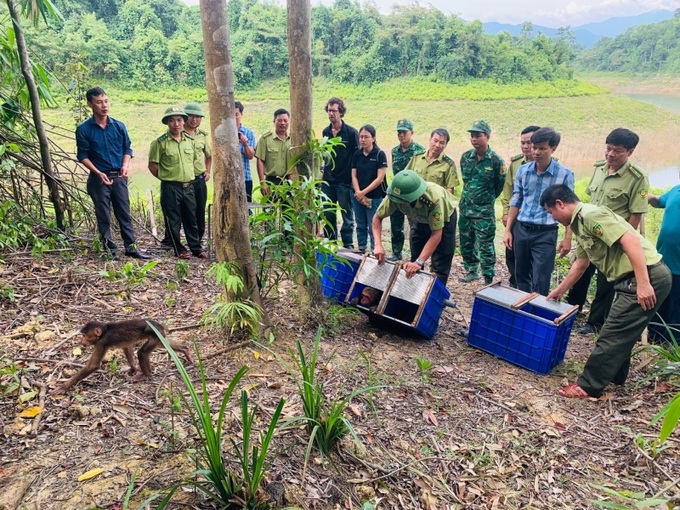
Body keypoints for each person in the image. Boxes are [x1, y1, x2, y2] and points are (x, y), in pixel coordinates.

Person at [541, 184, 671, 398]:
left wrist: (643, 283)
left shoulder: (591, 215)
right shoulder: (580, 225)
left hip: (645, 275)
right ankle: (615, 376)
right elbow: (580, 264)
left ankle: (588, 386)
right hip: (632, 279)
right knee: (623, 331)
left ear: (559, 204)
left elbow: (630, 240)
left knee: (612, 333)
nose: (552, 217)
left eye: (550, 212)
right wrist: (559, 290)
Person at [567, 128, 649, 335]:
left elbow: (635, 214)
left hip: (612, 241)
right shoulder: (599, 168)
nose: (610, 154)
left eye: (617, 151)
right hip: (589, 237)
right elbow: (590, 201)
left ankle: (595, 323)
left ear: (630, 152)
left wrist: (623, 243)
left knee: (606, 284)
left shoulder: (636, 177)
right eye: (608, 149)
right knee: (580, 272)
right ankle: (571, 311)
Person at [75, 86, 150, 260]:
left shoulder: (118, 126)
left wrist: (125, 165)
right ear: (90, 104)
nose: (104, 105)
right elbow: (83, 156)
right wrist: (98, 172)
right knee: (103, 215)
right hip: (98, 179)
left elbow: (127, 148)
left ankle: (131, 247)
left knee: (124, 212)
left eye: (106, 101)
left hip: (119, 177)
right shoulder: (84, 129)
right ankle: (110, 249)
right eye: (99, 102)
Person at [503, 127, 574, 296]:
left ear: (553, 148)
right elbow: (516, 200)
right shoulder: (523, 170)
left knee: (541, 277)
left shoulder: (564, 174)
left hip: (545, 233)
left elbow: (570, 208)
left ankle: (537, 312)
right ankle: (522, 310)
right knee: (520, 274)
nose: (536, 152)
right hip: (522, 229)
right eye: (534, 147)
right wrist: (508, 230)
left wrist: (568, 237)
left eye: (542, 148)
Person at [372, 170, 457, 285]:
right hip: (418, 218)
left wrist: (419, 262)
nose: (398, 204)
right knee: (415, 254)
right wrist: (378, 245)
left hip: (444, 220)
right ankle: (414, 293)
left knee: (440, 262)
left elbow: (436, 234)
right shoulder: (395, 195)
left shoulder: (434, 199)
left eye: (402, 202)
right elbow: (377, 218)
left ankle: (435, 296)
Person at [148, 106, 206, 260]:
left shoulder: (190, 141)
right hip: (170, 187)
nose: (176, 124)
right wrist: (167, 178)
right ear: (167, 122)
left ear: (183, 122)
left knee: (191, 219)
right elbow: (153, 165)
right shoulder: (160, 143)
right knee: (173, 220)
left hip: (188, 186)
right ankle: (179, 249)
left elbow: (193, 160)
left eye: (179, 120)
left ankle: (196, 248)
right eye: (172, 120)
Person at [458, 120, 507, 284]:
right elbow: (465, 181)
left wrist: (485, 199)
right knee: (466, 243)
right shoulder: (466, 157)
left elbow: (499, 185)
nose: (474, 139)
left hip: (484, 212)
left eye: (478, 135)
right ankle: (471, 271)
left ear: (487, 136)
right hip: (465, 209)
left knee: (486, 246)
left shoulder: (496, 161)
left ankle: (488, 276)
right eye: (472, 136)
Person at [501, 125, 540, 287]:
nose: (525, 147)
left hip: (535, 221)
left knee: (530, 256)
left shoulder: (550, 166)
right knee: (511, 253)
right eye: (522, 143)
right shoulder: (516, 164)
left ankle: (529, 286)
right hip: (515, 218)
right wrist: (505, 213)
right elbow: (508, 189)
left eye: (529, 143)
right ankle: (514, 282)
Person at [321, 98, 360, 249]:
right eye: (329, 111)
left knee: (346, 214)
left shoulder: (351, 133)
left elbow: (357, 156)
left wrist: (354, 179)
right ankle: (331, 242)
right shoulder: (326, 132)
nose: (331, 114)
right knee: (328, 212)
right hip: (328, 181)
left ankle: (348, 243)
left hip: (345, 180)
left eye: (334, 111)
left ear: (341, 112)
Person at [647, 179, 680, 343]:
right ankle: (655, 335)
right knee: (661, 299)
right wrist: (647, 196)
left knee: (677, 304)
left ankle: (674, 341)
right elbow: (659, 201)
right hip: (663, 259)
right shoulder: (676, 190)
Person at [388, 119, 425, 262]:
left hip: (412, 195)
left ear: (412, 133)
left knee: (415, 226)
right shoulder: (394, 151)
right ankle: (396, 252)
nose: (401, 135)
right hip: (398, 193)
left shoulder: (419, 151)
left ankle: (416, 255)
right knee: (396, 224)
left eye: (404, 132)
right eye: (399, 132)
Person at [351, 125, 388, 252]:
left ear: (373, 138)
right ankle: (361, 248)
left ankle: (375, 249)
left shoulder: (379, 154)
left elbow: (380, 178)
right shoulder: (357, 154)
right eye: (361, 137)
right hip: (357, 196)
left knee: (374, 224)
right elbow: (353, 175)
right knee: (360, 224)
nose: (363, 140)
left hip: (374, 196)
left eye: (366, 137)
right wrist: (358, 192)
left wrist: (363, 193)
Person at [183, 103, 212, 246]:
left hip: (199, 179)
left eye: (198, 117)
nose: (195, 120)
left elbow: (209, 155)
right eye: (192, 116)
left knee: (200, 211)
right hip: (184, 180)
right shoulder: (179, 133)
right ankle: (185, 241)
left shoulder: (202, 136)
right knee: (187, 212)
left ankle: (198, 241)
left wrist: (208, 171)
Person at [405, 128, 458, 194]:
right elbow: (406, 176)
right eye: (435, 141)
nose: (437, 145)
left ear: (446, 145)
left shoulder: (449, 164)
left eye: (442, 143)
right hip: (414, 199)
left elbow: (449, 189)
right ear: (430, 139)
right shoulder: (417, 157)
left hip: (434, 202)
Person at [255, 108, 291, 196]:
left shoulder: (293, 139)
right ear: (274, 121)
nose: (282, 123)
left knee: (288, 208)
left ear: (288, 122)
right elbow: (260, 160)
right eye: (279, 120)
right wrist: (262, 183)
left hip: (288, 181)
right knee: (270, 208)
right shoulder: (265, 139)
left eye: (285, 120)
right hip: (271, 181)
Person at [235, 100, 256, 202]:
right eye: (231, 115)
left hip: (245, 178)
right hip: (229, 179)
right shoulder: (224, 133)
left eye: (236, 114)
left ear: (241, 114)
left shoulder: (248, 133)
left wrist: (245, 144)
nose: (234, 118)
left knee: (246, 207)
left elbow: (251, 156)